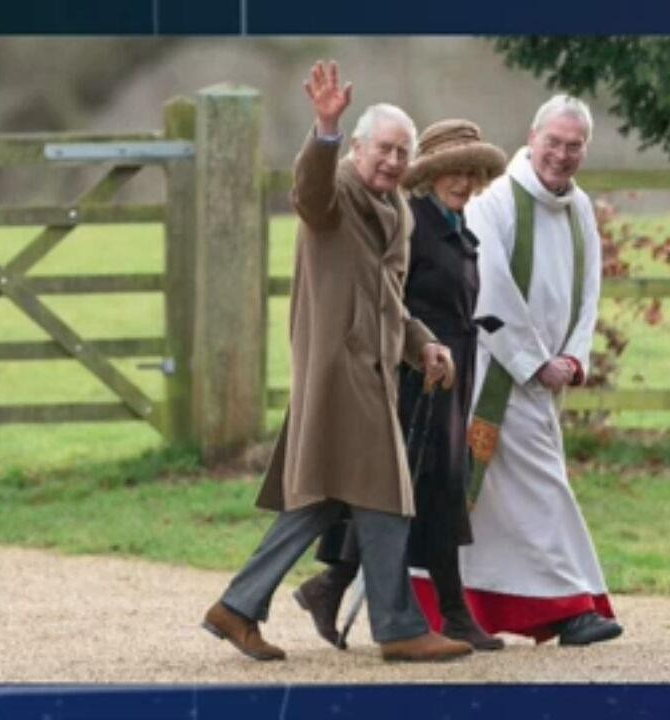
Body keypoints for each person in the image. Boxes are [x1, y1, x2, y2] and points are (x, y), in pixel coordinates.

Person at [200, 60, 472, 663]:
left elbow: (389, 300)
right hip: (339, 372)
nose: (393, 161)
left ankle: (238, 606)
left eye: (402, 152)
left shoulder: (398, 208)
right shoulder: (337, 192)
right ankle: (398, 627)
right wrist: (323, 130)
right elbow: (309, 192)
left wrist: (423, 343)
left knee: (324, 498)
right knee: (387, 494)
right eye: (383, 149)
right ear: (357, 148)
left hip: (374, 371)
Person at [292, 119, 508, 652]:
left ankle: (332, 585)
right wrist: (416, 348)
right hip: (414, 374)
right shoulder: (415, 223)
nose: (463, 182)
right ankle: (449, 612)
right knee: (418, 487)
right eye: (453, 172)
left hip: (451, 368)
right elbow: (388, 295)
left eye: (472, 173)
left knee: (429, 487)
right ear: (430, 175)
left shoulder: (457, 224)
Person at [456, 95, 623, 646]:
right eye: (553, 142)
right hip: (496, 374)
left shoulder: (579, 208)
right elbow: (488, 288)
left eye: (574, 146)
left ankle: (459, 608)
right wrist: (534, 362)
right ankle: (571, 608)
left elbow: (588, 289)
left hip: (547, 378)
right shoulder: (495, 202)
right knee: (541, 489)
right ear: (532, 138)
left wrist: (574, 357)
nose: (562, 154)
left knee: (497, 505)